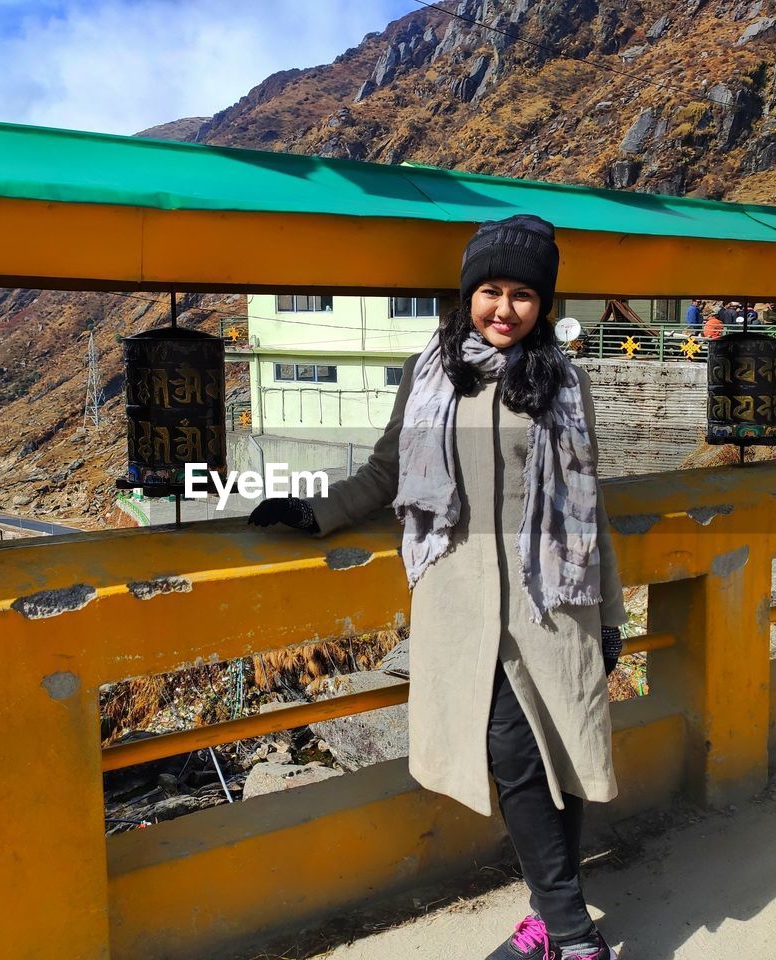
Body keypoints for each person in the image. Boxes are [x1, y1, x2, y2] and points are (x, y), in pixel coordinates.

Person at [249, 215, 625, 960]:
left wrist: (609, 613)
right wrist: (318, 511)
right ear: (468, 295)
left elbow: (589, 500)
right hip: (459, 605)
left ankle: (567, 937)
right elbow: (387, 471)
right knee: (518, 755)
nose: (505, 308)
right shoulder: (432, 375)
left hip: (549, 604)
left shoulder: (563, 381)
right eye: (491, 290)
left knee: (544, 755)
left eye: (524, 295)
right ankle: (564, 930)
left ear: (543, 305)